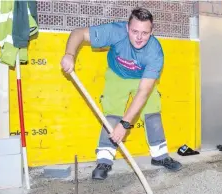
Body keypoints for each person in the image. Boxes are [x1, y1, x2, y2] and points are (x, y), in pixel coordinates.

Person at [60, 7, 182, 180]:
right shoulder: (115, 32)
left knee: (152, 112)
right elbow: (78, 33)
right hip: (118, 74)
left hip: (143, 79)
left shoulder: (155, 52)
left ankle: (160, 156)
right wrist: (69, 54)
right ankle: (104, 160)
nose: (139, 37)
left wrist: (125, 124)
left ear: (152, 31)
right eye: (134, 31)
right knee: (112, 115)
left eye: (145, 33)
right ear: (127, 28)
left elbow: (144, 91)